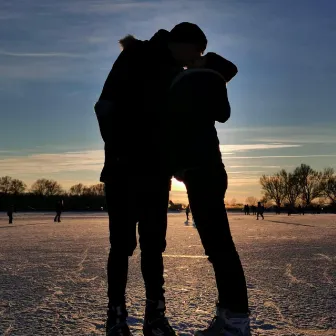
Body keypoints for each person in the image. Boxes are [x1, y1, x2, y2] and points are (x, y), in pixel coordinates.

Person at [94, 22, 208, 336]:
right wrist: (119, 152)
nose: (196, 57)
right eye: (196, 51)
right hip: (123, 170)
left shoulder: (178, 72)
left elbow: (176, 124)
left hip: (156, 174)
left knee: (153, 246)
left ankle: (155, 314)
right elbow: (104, 106)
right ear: (181, 42)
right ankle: (115, 314)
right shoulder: (136, 55)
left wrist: (176, 163)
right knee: (121, 246)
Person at [168, 53, 251, 336]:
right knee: (218, 249)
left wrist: (207, 73)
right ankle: (230, 316)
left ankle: (236, 320)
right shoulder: (200, 79)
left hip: (204, 170)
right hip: (201, 170)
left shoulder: (202, 77)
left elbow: (220, 112)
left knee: (221, 248)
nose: (191, 59)